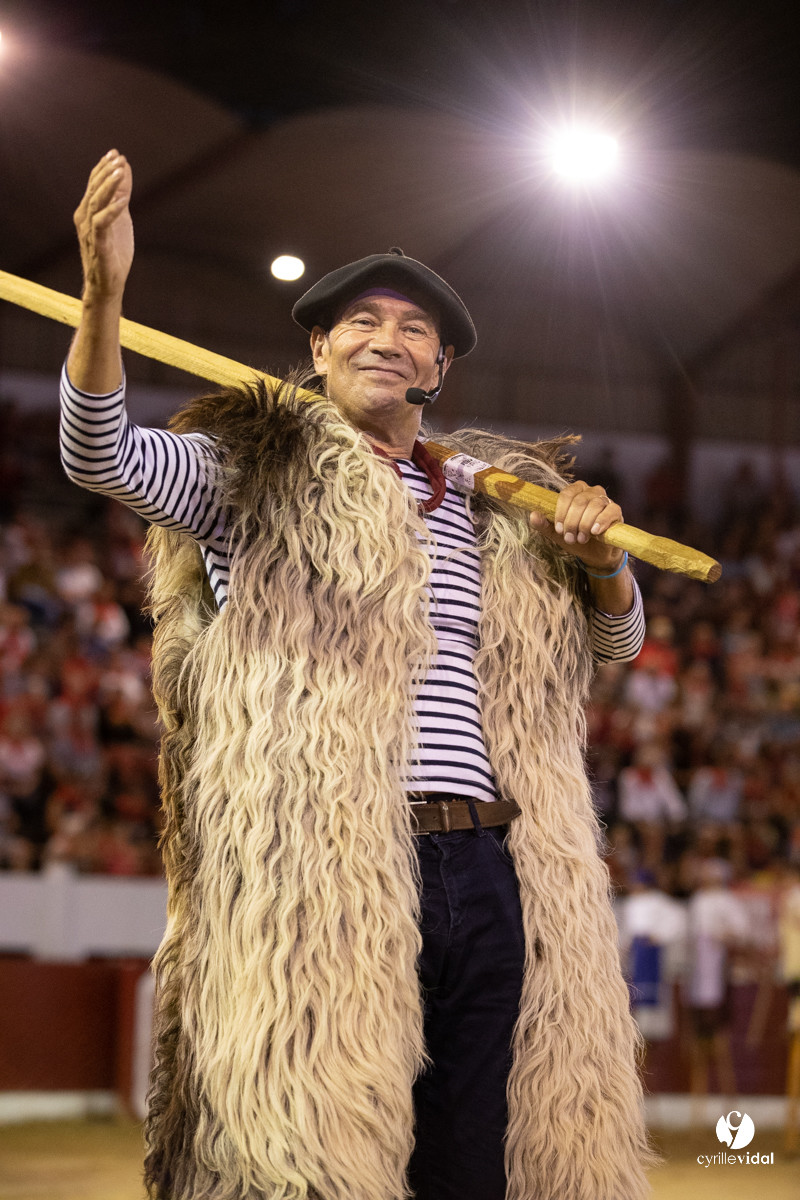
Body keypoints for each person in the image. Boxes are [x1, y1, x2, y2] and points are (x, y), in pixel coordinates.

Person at [60, 151, 657, 1200]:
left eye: (413, 329)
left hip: (487, 863)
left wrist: (602, 562)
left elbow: (613, 648)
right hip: (326, 870)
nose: (387, 338)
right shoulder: (254, 469)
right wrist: (103, 300)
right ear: (319, 349)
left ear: (438, 371)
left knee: (473, 1159)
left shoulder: (497, 507)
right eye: (361, 322)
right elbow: (102, 452)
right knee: (316, 1151)